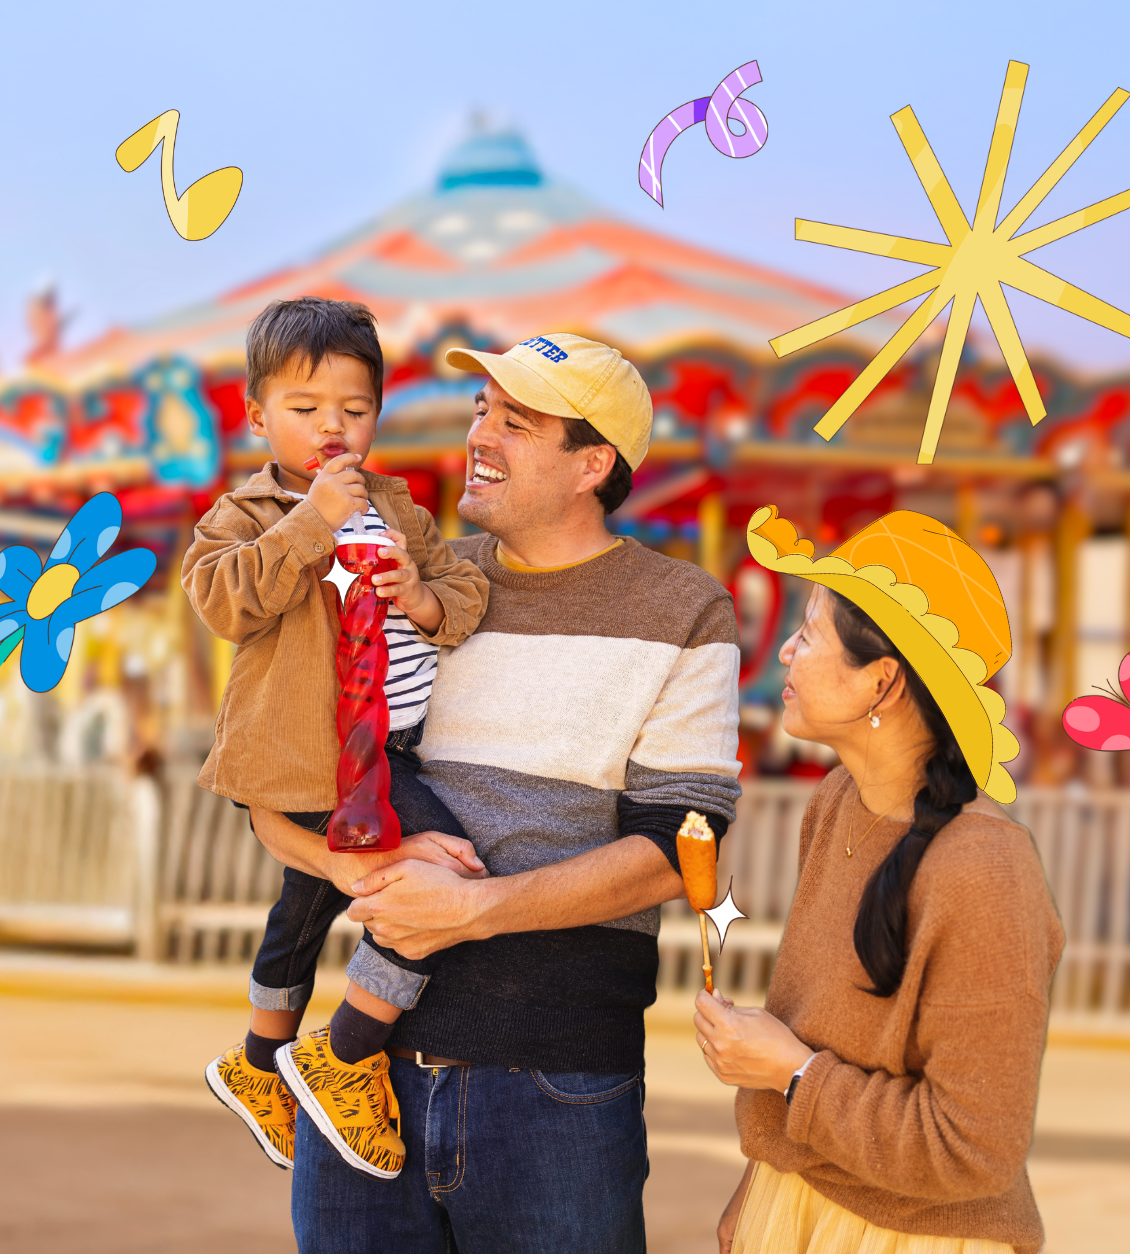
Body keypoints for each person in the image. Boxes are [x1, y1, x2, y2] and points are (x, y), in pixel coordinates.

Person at [258, 333, 741, 1252]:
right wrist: (350, 862)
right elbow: (275, 781)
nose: (480, 430)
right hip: (364, 1071)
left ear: (592, 463)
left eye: (515, 421)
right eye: (482, 408)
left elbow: (678, 853)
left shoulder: (683, 609)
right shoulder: (415, 574)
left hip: (554, 1082)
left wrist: (469, 909)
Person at [694, 508, 1062, 1254]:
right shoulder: (835, 802)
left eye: (809, 632)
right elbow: (812, 1022)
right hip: (794, 1203)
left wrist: (792, 1073)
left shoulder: (986, 870)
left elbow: (975, 1148)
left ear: (884, 682)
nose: (785, 652)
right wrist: (759, 1181)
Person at [188, 297, 491, 1179]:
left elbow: (460, 598)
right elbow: (224, 599)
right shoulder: (243, 515)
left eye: (354, 412)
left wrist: (421, 595)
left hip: (390, 745)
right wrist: (311, 519)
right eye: (306, 409)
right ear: (257, 417)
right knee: (441, 871)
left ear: (377, 417)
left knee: (305, 907)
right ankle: (348, 1051)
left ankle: (258, 1062)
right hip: (312, 754)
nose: (333, 427)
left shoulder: (397, 507)